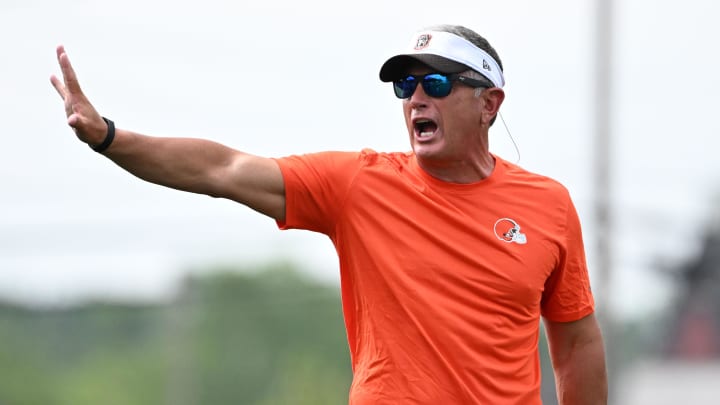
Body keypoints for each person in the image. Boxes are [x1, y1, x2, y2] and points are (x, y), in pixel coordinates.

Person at [51, 24, 607, 404]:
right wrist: (109, 137)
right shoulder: (358, 185)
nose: (416, 98)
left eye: (436, 83)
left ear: (490, 104)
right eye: (405, 85)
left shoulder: (548, 205)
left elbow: (576, 339)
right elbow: (223, 170)